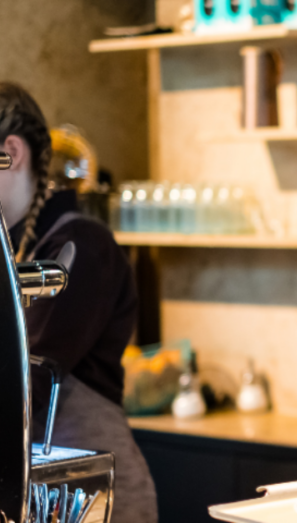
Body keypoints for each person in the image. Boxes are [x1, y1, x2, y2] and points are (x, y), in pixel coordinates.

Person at [0, 82, 158, 522]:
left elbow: (23, 378)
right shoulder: (17, 250)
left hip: (93, 500)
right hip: (37, 498)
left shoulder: (81, 247)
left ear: (11, 151)